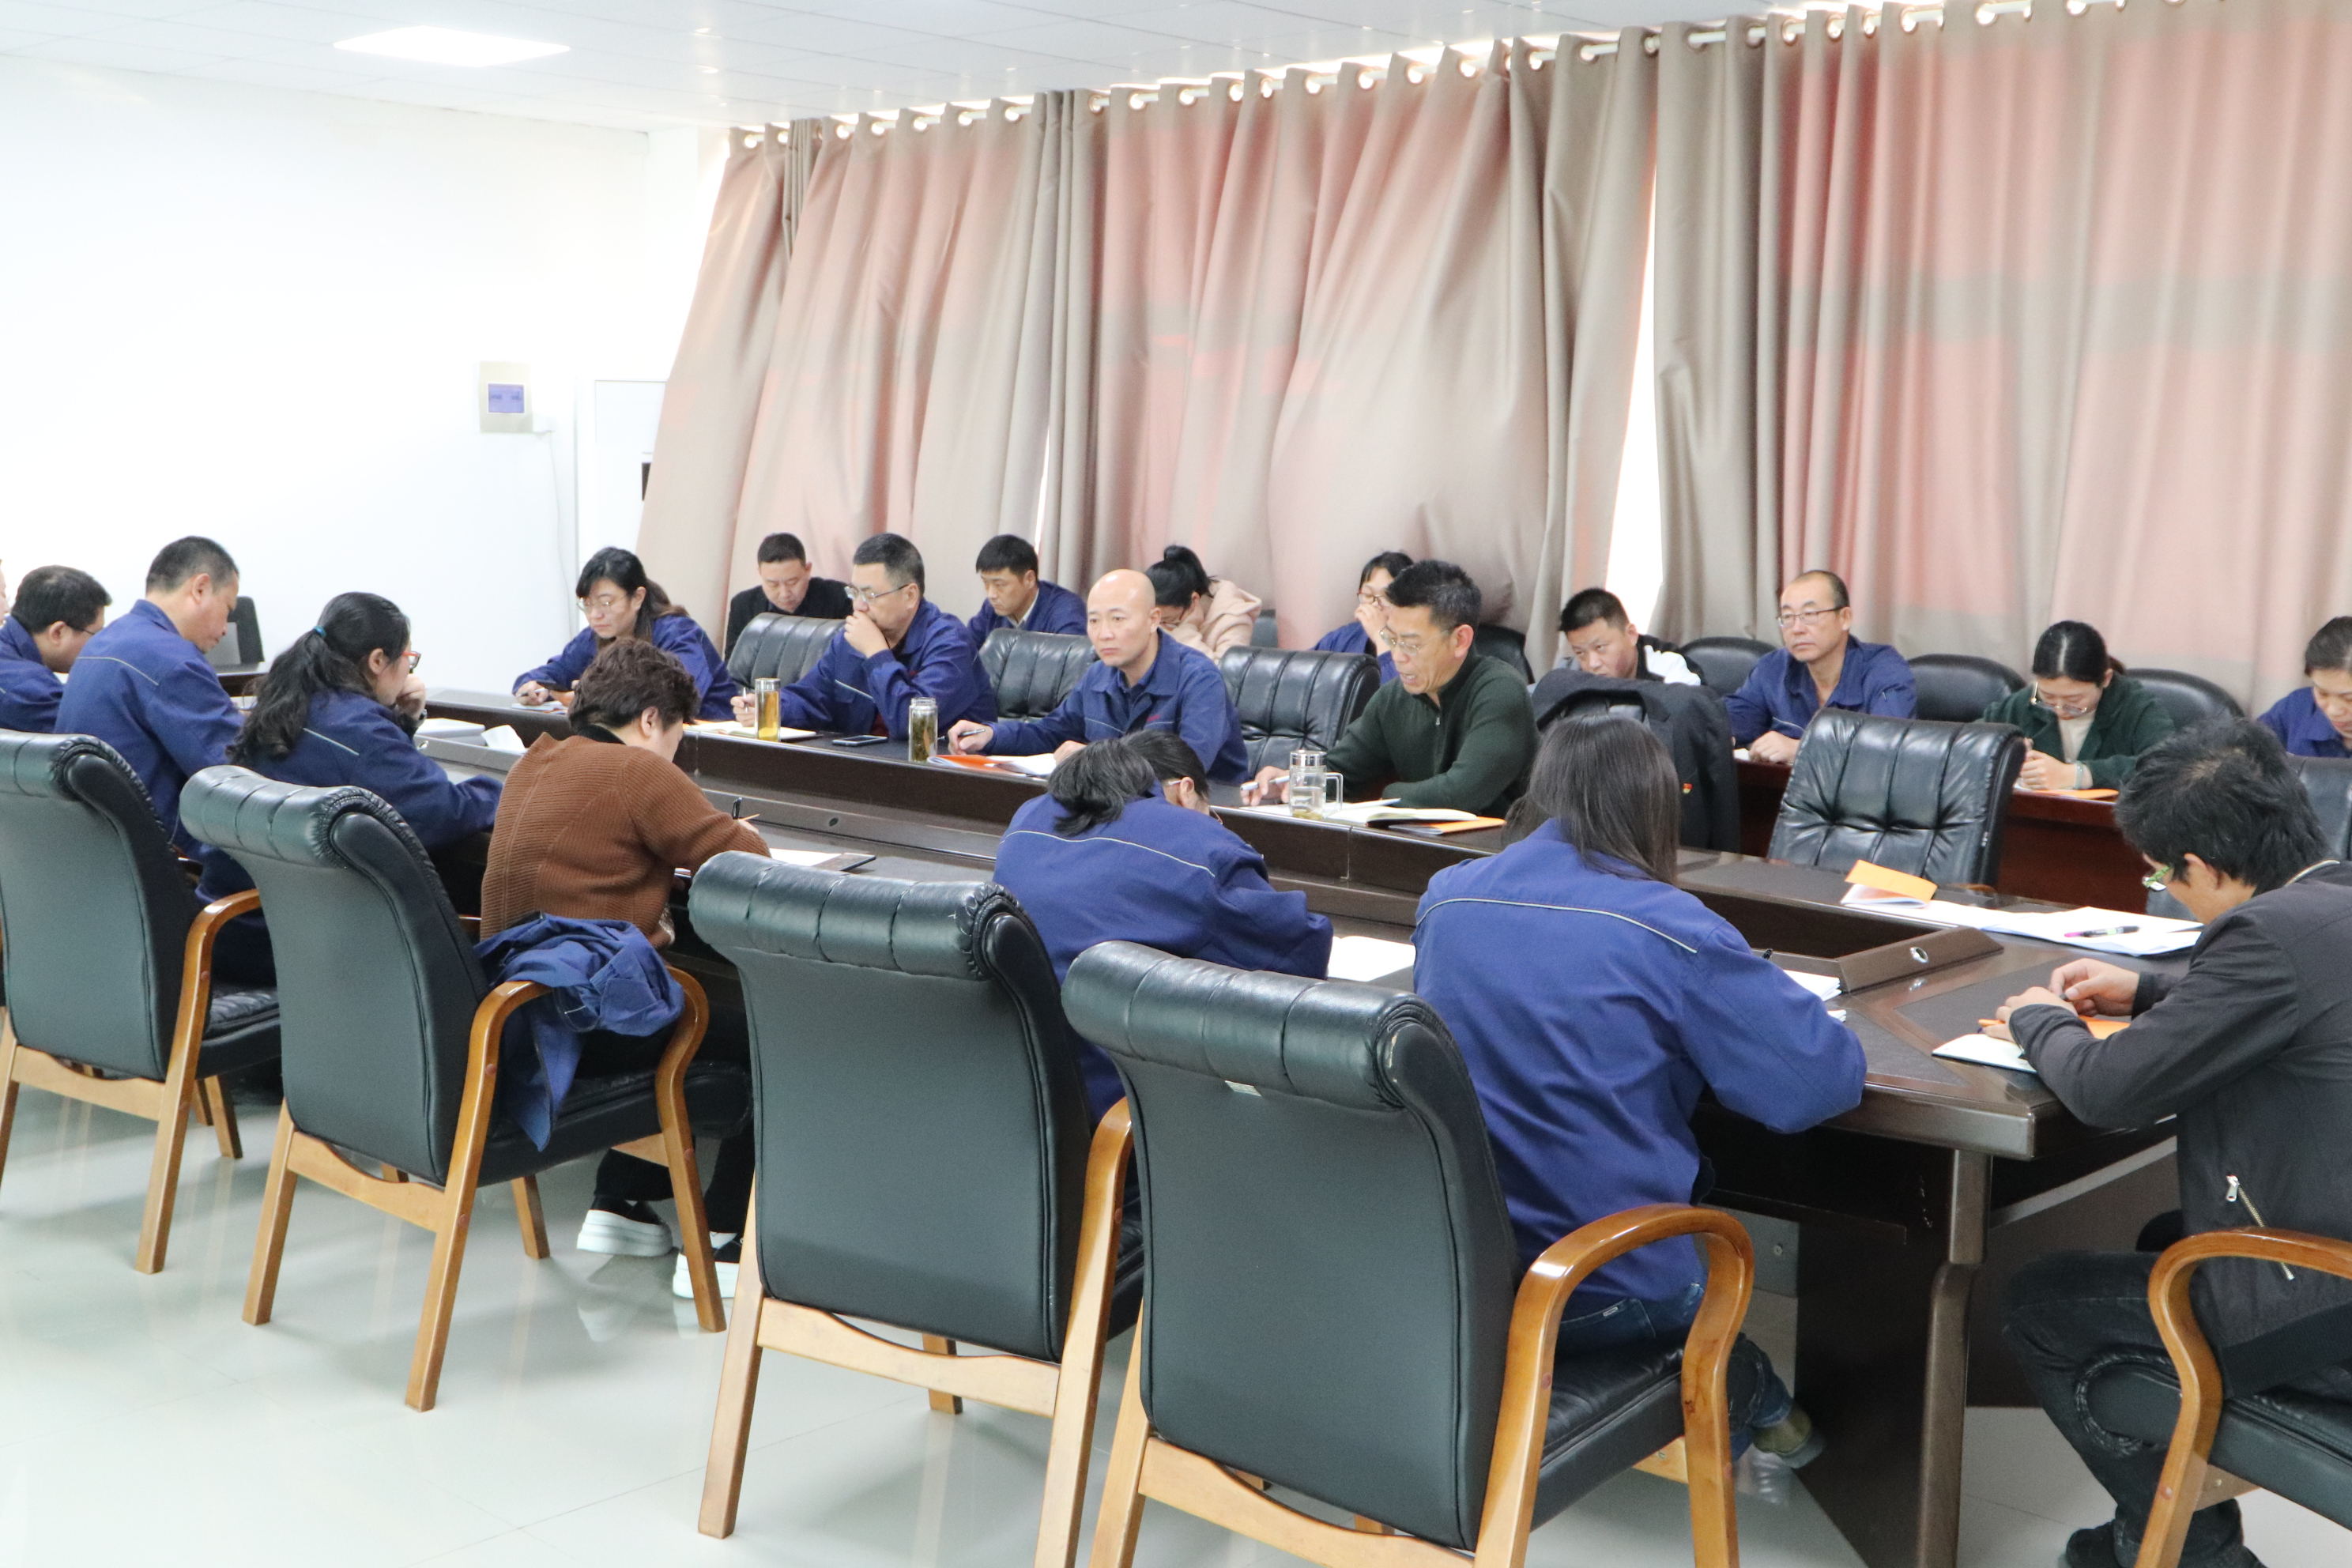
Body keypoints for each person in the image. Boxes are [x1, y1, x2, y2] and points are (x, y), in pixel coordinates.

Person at [1414, 717, 1863, 1466]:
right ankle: (1765, 1415)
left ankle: (1771, 1412)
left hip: (1461, 1270)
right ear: (1656, 809)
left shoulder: (1445, 898)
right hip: (1601, 1284)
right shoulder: (1674, 929)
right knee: (1689, 1298)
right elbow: (1816, 1086)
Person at [1992, 720, 2352, 1568]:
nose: (2166, 888)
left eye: (2161, 873)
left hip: (2329, 1312)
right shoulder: (2331, 899)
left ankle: (2190, 1554)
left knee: (2041, 1303)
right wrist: (2154, 988)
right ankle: (2154, 1537)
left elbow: (2107, 1091)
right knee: (2163, 1239)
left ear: (2204, 867)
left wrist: (2038, 1020)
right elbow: (2299, 993)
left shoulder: (2262, 937)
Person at [483, 639, 769, 1293]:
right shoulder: (638, 771)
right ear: (649, 719)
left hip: (526, 1015)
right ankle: (725, 1238)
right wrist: (737, 828)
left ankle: (622, 1200)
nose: (675, 755)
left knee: (668, 1004)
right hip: (588, 1024)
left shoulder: (536, 760)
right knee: (767, 1036)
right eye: (677, 737)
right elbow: (745, 855)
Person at [993, 733, 1332, 1118]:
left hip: (1017, 1106)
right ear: (1186, 794)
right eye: (1211, 813)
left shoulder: (1026, 819)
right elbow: (1302, 953)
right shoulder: (1194, 841)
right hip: (1128, 1117)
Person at [198, 592, 501, 984]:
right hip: (290, 945)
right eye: (408, 660)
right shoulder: (360, 730)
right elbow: (443, 813)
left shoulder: (288, 700)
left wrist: (401, 722)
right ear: (377, 661)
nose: (409, 672)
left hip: (232, 925)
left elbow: (373, 773)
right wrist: (508, 791)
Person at [1244, 560, 1535, 816]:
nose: (1397, 656)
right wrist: (1295, 782)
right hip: (1421, 847)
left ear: (1460, 640)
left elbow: (1461, 793)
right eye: (1391, 639)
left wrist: (1389, 793)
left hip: (1504, 849)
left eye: (1411, 644)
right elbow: (1342, 771)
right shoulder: (1393, 698)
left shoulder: (1499, 690)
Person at [947, 569, 1247, 782]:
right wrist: (991, 735)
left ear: (1153, 619)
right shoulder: (1098, 675)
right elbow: (1051, 733)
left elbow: (1189, 765)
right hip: (1120, 808)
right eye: (1094, 621)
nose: (1104, 634)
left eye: (1117, 619)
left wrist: (1097, 758)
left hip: (1203, 816)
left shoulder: (1199, 678)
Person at [55, 537, 242, 850]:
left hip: (98, 845)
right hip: (166, 851)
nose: (225, 628)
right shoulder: (173, 660)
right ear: (200, 588)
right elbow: (232, 771)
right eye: (227, 609)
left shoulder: (102, 642)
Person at [729, 532, 993, 739]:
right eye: (854, 593)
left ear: (910, 595)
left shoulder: (950, 643)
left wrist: (877, 654)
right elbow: (813, 697)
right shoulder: (850, 641)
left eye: (870, 595)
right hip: (866, 770)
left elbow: (912, 727)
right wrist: (770, 707)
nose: (858, 606)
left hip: (941, 778)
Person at [514, 546, 739, 722]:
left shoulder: (678, 632)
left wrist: (592, 697)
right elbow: (551, 673)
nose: (595, 615)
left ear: (638, 598)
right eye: (588, 604)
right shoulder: (594, 637)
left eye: (606, 603)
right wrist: (535, 687)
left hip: (708, 742)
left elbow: (678, 698)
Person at [1723, 570, 1915, 763]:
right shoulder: (1774, 668)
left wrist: (1801, 749)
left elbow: (1887, 747)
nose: (1797, 629)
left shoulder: (1885, 670)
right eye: (1787, 617)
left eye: (1810, 614)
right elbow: (1736, 720)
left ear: (1845, 618)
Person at [1979, 620, 2175, 790]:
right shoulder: (2026, 701)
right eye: (2048, 697)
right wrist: (2002, 748)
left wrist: (2080, 775)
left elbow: (2168, 764)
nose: (2059, 710)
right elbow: (1969, 743)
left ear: (2106, 679)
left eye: (2074, 701)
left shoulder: (2134, 706)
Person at [0, 565, 111, 733]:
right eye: (95, 635)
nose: (98, 645)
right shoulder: (31, 692)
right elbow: (102, 738)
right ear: (58, 632)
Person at [724, 532, 853, 653]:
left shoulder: (839, 597)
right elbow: (734, 663)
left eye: (792, 582)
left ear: (807, 570)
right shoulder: (743, 606)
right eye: (773, 584)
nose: (784, 594)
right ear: (760, 573)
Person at [1557, 587, 1699, 686]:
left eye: (1600, 647)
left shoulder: (1669, 669)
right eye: (1580, 653)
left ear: (1631, 635)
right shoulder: (1569, 674)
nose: (1592, 664)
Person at [2256, 615, 2352, 759]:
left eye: (2349, 699)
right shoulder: (2295, 709)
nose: (2333, 711)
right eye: (2322, 693)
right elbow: (2246, 751)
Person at [1312, 550, 1412, 684]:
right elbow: (1303, 674)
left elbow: (1399, 693)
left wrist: (1381, 635)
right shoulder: (1344, 637)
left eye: (1387, 596)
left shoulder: (1419, 643)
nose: (1375, 604)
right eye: (1368, 595)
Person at [1147, 544, 1261, 658]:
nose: (1159, 625)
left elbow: (1223, 669)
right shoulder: (1154, 617)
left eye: (1168, 620)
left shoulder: (1235, 620)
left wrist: (1187, 633)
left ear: (1194, 600)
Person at [967, 533, 1085, 643]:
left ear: (1029, 579)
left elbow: (1071, 656)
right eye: (986, 583)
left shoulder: (1065, 610)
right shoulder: (991, 609)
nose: (991, 595)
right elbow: (966, 648)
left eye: (1000, 585)